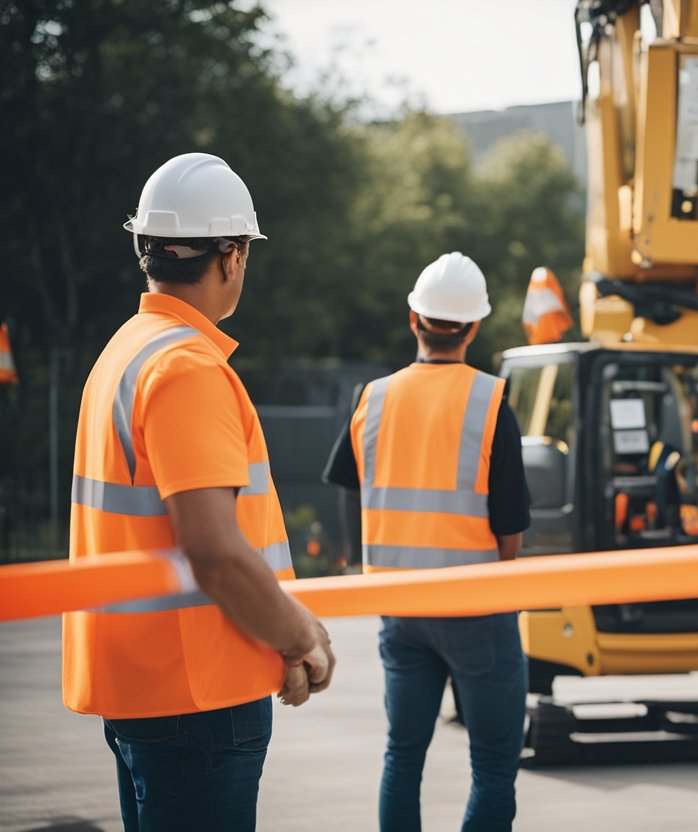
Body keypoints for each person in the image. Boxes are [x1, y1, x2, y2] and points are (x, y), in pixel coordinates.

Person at [65, 152, 335, 831]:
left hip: (148, 685)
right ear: (234, 255)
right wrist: (298, 632)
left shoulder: (126, 351)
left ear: (143, 248)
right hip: (198, 697)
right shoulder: (186, 367)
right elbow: (214, 550)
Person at [322, 251, 530, 831]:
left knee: (403, 757)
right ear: (475, 328)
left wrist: (362, 561)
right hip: (476, 608)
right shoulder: (491, 402)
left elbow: (347, 487)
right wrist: (497, 579)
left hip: (400, 610)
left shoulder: (375, 397)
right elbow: (510, 522)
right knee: (492, 765)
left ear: (414, 318)